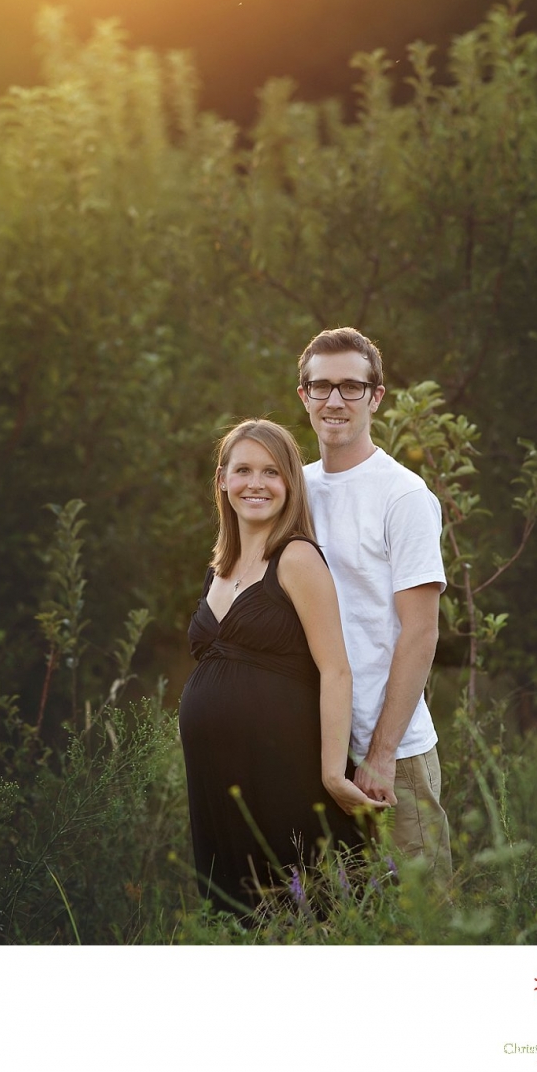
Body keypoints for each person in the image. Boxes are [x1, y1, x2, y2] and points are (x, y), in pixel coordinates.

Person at [178, 418, 386, 913]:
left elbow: (336, 669)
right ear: (222, 480)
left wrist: (334, 774)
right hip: (217, 779)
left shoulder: (295, 559)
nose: (256, 483)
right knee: (238, 913)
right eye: (243, 469)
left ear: (290, 484)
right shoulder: (218, 569)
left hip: (285, 772)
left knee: (307, 906)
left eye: (271, 472)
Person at [297, 327, 452, 885]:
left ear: (376, 396)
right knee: (334, 919)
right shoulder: (297, 489)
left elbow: (420, 633)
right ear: (304, 396)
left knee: (422, 922)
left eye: (351, 387)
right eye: (321, 386)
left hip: (391, 756)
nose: (334, 400)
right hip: (315, 748)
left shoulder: (403, 496)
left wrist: (381, 753)